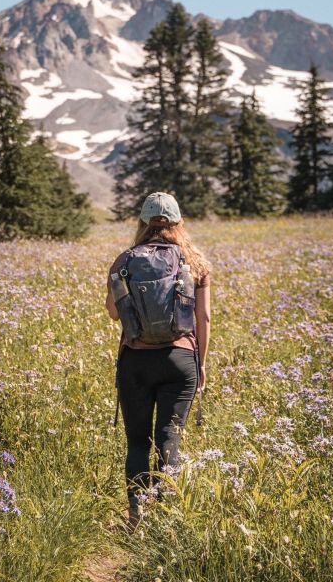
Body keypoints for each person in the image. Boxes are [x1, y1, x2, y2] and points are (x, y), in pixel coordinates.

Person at [105, 191, 211, 524]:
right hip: (180, 360)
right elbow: (204, 318)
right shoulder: (195, 262)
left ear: (143, 222)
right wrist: (201, 364)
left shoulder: (124, 261)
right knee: (169, 437)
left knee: (138, 441)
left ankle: (136, 515)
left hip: (135, 361)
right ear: (179, 222)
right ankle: (166, 518)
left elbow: (112, 312)